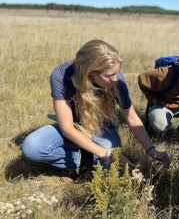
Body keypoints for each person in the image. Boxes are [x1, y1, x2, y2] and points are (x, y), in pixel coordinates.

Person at [21, 39, 170, 182]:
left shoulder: (117, 81)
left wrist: (151, 149)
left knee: (110, 171)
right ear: (90, 72)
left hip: (103, 128)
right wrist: (105, 153)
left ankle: (87, 153)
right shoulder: (61, 76)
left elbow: (131, 117)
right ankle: (74, 161)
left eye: (117, 72)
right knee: (31, 147)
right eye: (109, 75)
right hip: (74, 126)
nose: (116, 79)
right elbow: (67, 128)